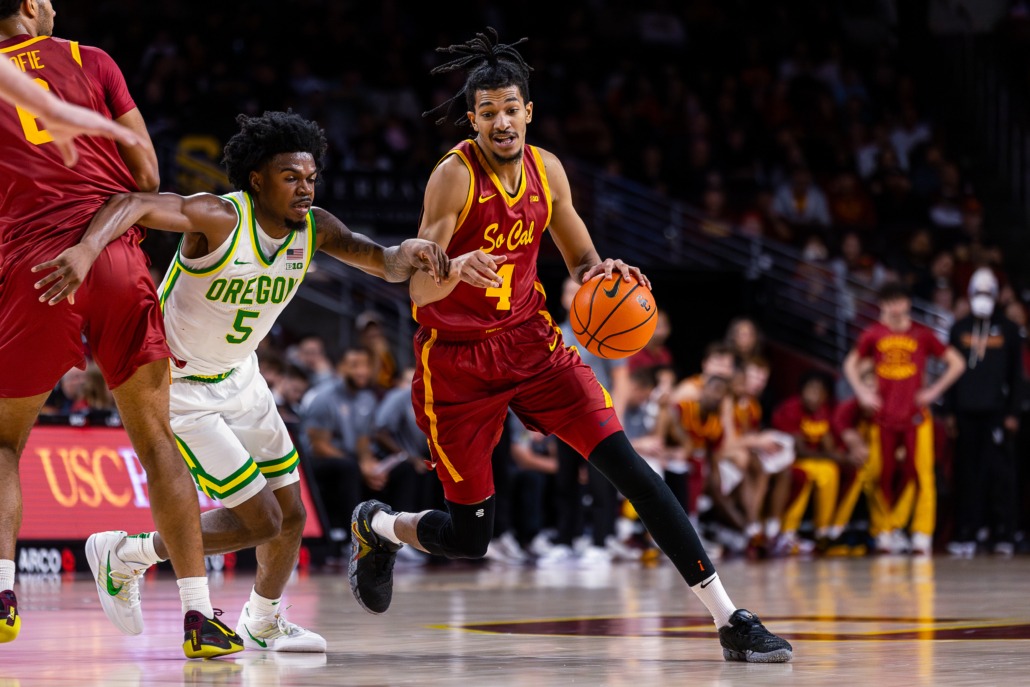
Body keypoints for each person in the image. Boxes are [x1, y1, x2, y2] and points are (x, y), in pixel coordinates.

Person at [347, 28, 791, 663]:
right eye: (488, 112)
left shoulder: (546, 169)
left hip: (533, 342)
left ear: (528, 110)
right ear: (472, 119)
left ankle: (729, 619)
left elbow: (581, 258)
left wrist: (607, 274)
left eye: (511, 109)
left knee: (633, 470)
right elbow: (417, 288)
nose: (502, 122)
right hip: (456, 360)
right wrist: (451, 267)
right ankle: (379, 526)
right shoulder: (452, 177)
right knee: (471, 538)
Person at [33, 110, 449, 652]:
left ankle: (263, 620)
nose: (305, 188)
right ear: (257, 179)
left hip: (243, 377)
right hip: (180, 386)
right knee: (262, 521)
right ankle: (128, 553)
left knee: (293, 516)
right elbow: (131, 203)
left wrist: (406, 255)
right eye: (290, 177)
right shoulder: (220, 219)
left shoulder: (315, 227)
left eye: (310, 177)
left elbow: (381, 260)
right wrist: (88, 250)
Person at [0, 0, 236, 656]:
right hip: (115, 254)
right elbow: (149, 178)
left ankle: (1, 591)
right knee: (157, 439)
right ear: (27, 6)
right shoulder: (90, 60)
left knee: (1, 445)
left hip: (34, 266)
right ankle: (197, 617)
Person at [842, 281, 965, 555]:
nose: (893, 308)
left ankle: (922, 534)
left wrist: (933, 391)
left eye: (897, 301)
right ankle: (884, 531)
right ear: (882, 306)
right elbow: (850, 364)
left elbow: (957, 362)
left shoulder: (923, 334)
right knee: (880, 474)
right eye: (887, 303)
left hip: (915, 416)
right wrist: (862, 391)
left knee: (921, 474)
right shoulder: (873, 334)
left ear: (907, 303)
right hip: (883, 416)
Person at [945, 268, 1023, 555]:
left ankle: (1004, 531)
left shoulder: (1009, 330)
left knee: (1000, 474)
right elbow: (949, 375)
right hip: (966, 413)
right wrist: (949, 412)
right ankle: (967, 531)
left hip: (997, 413)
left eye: (987, 292)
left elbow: (1017, 376)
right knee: (966, 473)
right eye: (978, 292)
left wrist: (1013, 412)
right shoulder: (958, 328)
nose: (983, 298)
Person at [0, 35, 139, 166]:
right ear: (30, 8)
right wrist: (51, 109)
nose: (54, 13)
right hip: (107, 190)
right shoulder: (88, 57)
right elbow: (147, 177)